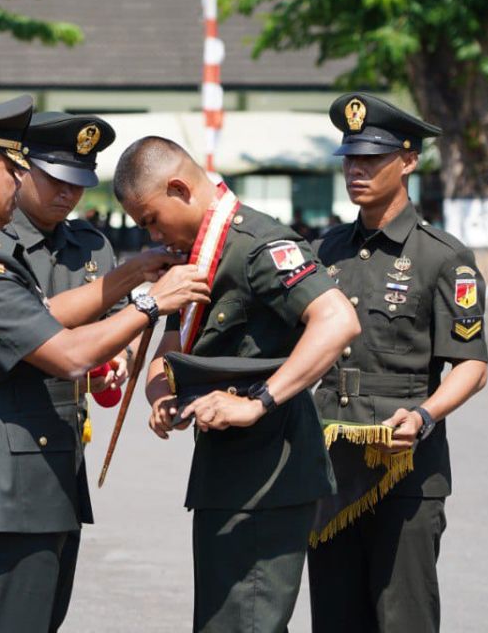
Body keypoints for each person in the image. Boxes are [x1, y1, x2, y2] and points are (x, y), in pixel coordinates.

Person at [0, 95, 208, 633]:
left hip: (21, 485)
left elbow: (45, 314)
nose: (18, 183)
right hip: (3, 490)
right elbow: (66, 353)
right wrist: (152, 302)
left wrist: (131, 274)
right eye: (12, 170)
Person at [112, 136, 359, 633]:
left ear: (179, 188)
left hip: (269, 472)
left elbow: (337, 320)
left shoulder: (254, 245)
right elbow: (173, 346)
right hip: (229, 473)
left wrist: (258, 402)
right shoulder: (199, 255)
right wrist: (162, 392)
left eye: (151, 219)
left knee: (242, 624)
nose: (154, 236)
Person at [307, 92, 488, 633]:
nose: (356, 171)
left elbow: (471, 365)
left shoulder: (442, 256)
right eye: (350, 159)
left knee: (402, 619)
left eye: (372, 159)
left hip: (404, 468)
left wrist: (426, 416)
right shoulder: (325, 250)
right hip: (331, 465)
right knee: (335, 621)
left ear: (408, 161)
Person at [8, 111, 180, 628]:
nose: (68, 196)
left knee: (48, 609)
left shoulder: (92, 246)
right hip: (10, 447)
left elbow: (114, 330)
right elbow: (35, 329)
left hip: (66, 447)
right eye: (56, 180)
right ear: (21, 168)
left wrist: (120, 362)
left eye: (78, 184)